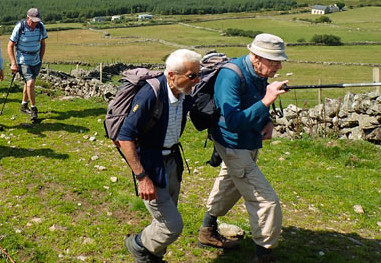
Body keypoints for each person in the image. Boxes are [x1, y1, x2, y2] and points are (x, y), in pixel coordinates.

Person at [198, 33, 288, 263]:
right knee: (266, 201)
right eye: (274, 61)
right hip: (232, 144)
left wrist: (266, 120)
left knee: (230, 182)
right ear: (257, 57)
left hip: (247, 142)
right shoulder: (230, 75)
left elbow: (254, 99)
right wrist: (267, 100)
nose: (279, 66)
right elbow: (233, 121)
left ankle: (206, 231)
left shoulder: (257, 72)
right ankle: (264, 255)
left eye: (280, 61)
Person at [119, 49, 202, 262]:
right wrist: (141, 177)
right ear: (172, 75)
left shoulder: (185, 93)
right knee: (172, 225)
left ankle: (152, 257)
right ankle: (137, 245)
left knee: (165, 218)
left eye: (198, 74)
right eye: (192, 75)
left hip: (172, 161)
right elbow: (125, 137)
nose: (197, 80)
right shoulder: (150, 95)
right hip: (152, 165)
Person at [7, 8, 48, 123]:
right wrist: (13, 63)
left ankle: (24, 105)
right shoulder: (20, 27)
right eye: (33, 21)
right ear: (27, 18)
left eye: (37, 21)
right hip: (23, 60)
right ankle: (34, 108)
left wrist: (40, 58)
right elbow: (10, 45)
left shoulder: (41, 27)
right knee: (30, 82)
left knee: (28, 83)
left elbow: (43, 43)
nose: (35, 24)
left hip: (35, 60)